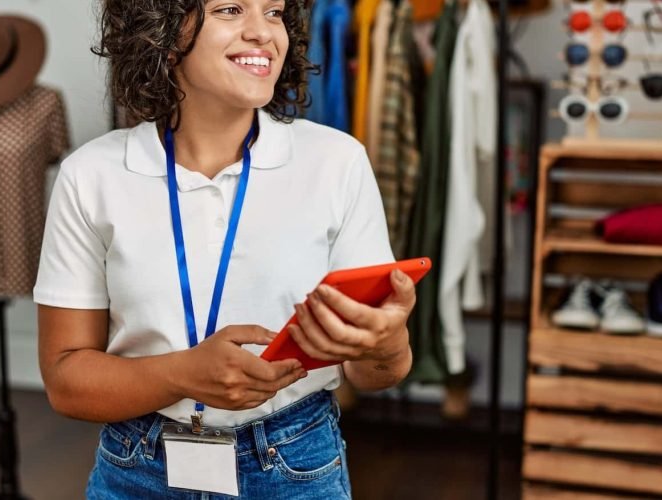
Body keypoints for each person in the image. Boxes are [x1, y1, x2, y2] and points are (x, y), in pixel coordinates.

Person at [33, 0, 417, 498]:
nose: (263, 33)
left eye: (275, 12)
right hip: (139, 470)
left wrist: (388, 344)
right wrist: (182, 375)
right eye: (231, 9)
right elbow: (65, 379)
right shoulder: (91, 176)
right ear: (165, 33)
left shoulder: (336, 163)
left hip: (295, 465)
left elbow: (373, 373)